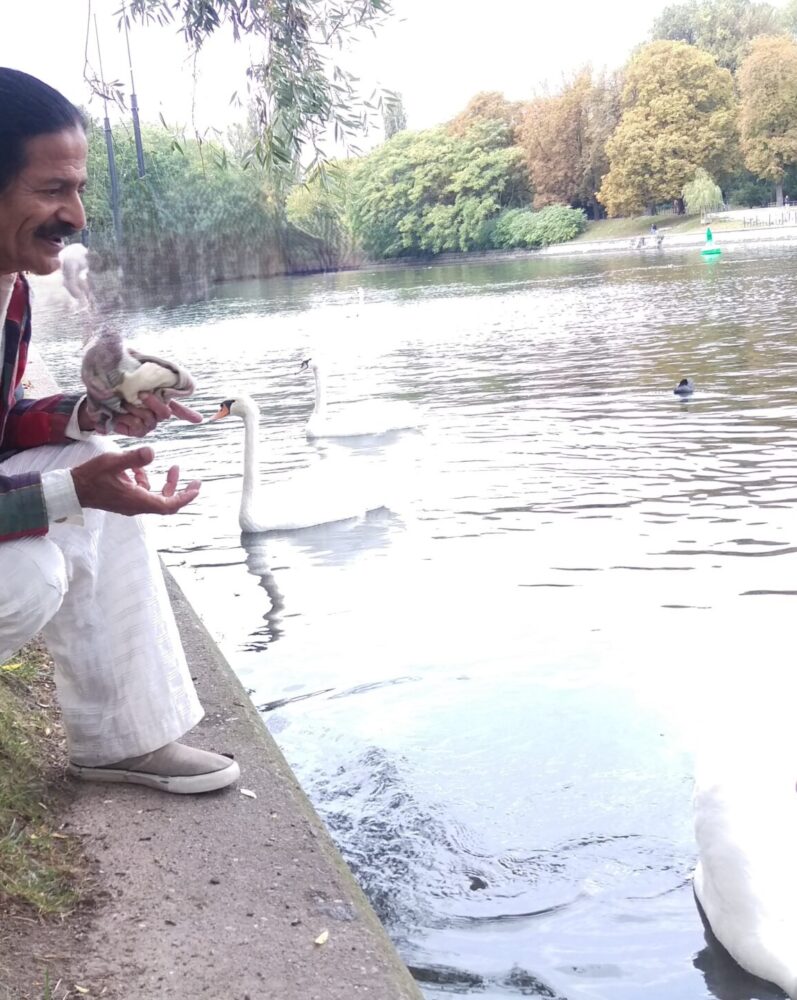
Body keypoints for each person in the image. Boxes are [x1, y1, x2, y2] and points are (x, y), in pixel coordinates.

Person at [0, 68, 240, 794]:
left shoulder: (8, 286)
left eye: (78, 190)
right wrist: (67, 495)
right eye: (52, 190)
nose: (76, 215)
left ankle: (123, 739)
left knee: (97, 454)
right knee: (28, 576)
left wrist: (90, 411)